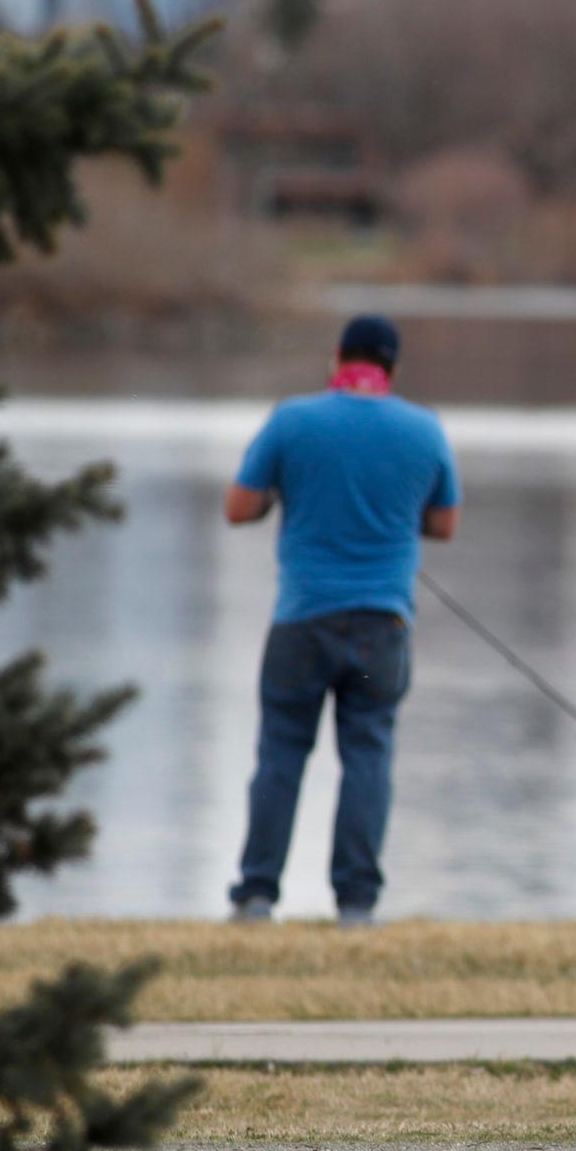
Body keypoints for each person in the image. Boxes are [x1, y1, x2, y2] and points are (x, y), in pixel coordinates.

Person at [222, 315, 461, 926]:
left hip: (302, 622)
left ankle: (255, 896)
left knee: (280, 753)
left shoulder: (292, 420)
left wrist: (286, 496)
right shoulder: (424, 429)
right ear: (393, 369)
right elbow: (444, 525)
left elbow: (239, 507)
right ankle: (356, 905)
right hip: (381, 627)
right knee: (367, 755)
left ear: (337, 359)